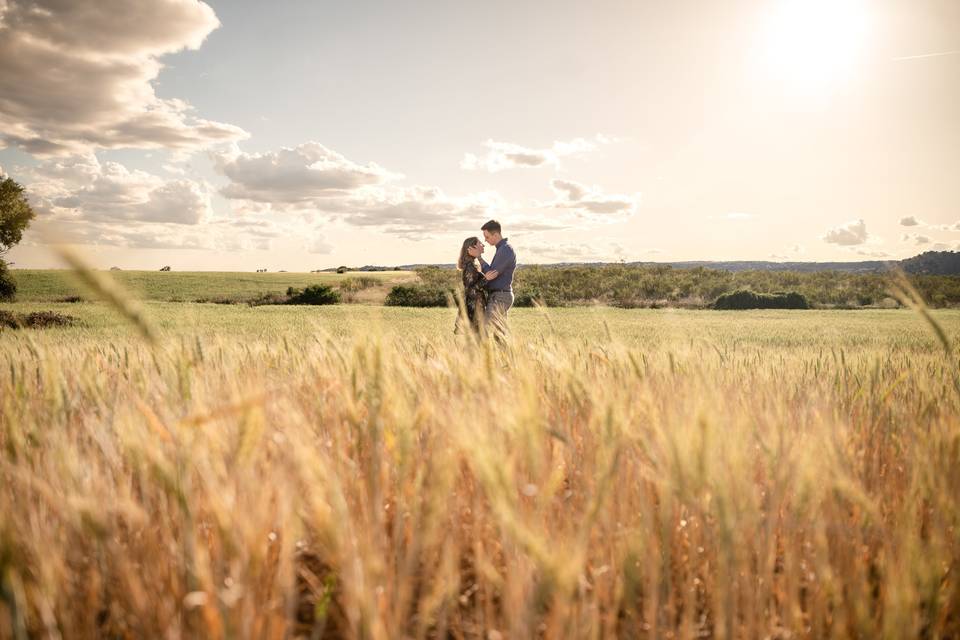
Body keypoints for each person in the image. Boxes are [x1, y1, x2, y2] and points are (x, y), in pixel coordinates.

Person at [478, 220, 517, 339]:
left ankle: (479, 357)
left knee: (482, 330)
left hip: (500, 297)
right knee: (499, 335)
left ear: (496, 235)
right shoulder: (502, 249)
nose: (485, 240)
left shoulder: (505, 249)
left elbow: (491, 274)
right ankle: (506, 357)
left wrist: (478, 257)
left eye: (487, 237)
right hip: (500, 296)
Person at [455, 236, 488, 334]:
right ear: (472, 248)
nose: (483, 245)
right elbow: (470, 291)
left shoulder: (472, 264)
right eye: (480, 243)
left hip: (476, 307)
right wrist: (486, 279)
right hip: (474, 310)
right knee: (477, 340)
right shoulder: (470, 267)